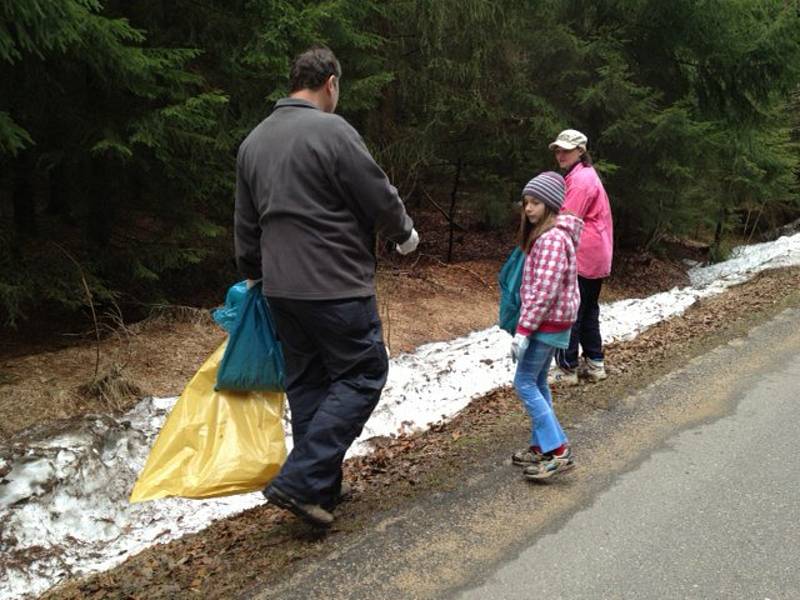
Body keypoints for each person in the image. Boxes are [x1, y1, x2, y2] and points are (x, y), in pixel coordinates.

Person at [234, 46, 419, 527]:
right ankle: (299, 481)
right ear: (330, 83)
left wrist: (255, 272)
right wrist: (404, 234)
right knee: (362, 374)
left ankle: (319, 490)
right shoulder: (332, 131)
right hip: (334, 284)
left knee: (309, 383)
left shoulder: (253, 142)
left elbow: (246, 223)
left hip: (279, 290)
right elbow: (376, 191)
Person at [509, 172, 583, 480]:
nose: (528, 208)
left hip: (547, 323)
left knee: (524, 382)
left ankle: (558, 450)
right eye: (526, 202)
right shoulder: (548, 235)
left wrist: (523, 331)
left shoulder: (551, 239)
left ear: (551, 204)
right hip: (550, 322)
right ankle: (542, 446)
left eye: (536, 202)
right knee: (538, 381)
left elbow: (544, 290)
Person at [547, 129, 613, 385]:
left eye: (565, 150)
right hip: (596, 254)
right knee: (587, 310)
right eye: (557, 150)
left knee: (570, 310)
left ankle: (567, 368)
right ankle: (595, 363)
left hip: (583, 254)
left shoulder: (581, 181)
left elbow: (567, 221)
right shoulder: (584, 176)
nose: (560, 154)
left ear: (580, 151)